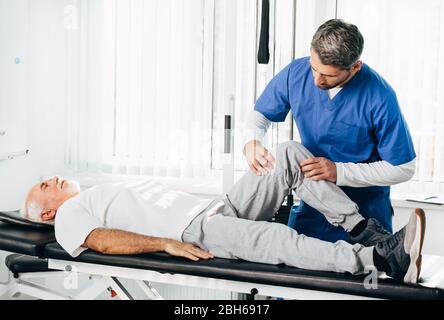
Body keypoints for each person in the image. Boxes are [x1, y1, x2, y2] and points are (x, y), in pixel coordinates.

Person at [23, 142, 425, 284]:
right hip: (198, 231)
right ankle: (378, 258)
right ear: (46, 215)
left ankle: (361, 229)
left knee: (287, 154)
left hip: (219, 207)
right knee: (276, 239)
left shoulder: (96, 193)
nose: (53, 178)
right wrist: (166, 243)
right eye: (45, 186)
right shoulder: (69, 215)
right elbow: (100, 241)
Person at [243, 19, 416, 243]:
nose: (316, 80)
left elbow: (403, 168)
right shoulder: (296, 73)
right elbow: (261, 116)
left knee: (364, 271)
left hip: (366, 217)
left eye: (328, 76)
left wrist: (339, 171)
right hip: (313, 211)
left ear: (355, 67)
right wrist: (252, 141)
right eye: (314, 68)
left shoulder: (380, 97)